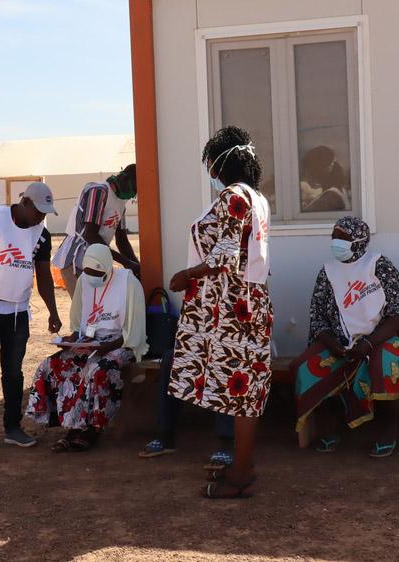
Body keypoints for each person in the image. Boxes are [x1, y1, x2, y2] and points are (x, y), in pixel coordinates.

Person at [167, 126, 272, 499]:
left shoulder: (233, 196)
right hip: (247, 300)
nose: (209, 169)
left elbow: (225, 254)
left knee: (240, 389)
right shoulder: (256, 197)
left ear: (221, 162)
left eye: (210, 161)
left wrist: (187, 275)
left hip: (231, 306)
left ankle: (241, 472)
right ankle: (243, 464)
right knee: (244, 388)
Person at [0, 182, 63, 457]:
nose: (42, 217)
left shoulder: (41, 234)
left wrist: (53, 311)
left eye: (46, 213)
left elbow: (43, 275)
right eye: (39, 211)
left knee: (14, 373)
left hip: (18, 313)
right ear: (25, 203)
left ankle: (12, 428)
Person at [296, 216, 399, 456]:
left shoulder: (379, 265)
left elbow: (398, 314)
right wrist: (333, 344)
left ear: (359, 240)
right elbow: (317, 317)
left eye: (343, 237)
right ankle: (328, 432)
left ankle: (387, 434)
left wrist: (368, 343)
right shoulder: (327, 272)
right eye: (334, 236)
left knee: (387, 366)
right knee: (309, 367)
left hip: (380, 338)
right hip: (339, 343)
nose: (336, 241)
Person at [25, 244, 147, 451]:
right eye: (88, 272)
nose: (91, 277)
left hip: (122, 344)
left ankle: (93, 429)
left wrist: (107, 346)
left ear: (107, 267)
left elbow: (133, 332)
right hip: (91, 343)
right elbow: (77, 323)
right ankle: (71, 426)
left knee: (95, 370)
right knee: (53, 364)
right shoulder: (84, 281)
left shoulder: (128, 283)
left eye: (96, 273)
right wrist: (71, 341)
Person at [138, 347, 235, 471]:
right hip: (209, 341)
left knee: (224, 359)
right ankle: (166, 435)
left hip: (241, 344)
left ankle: (227, 442)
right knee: (171, 358)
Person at [52, 164, 140, 295]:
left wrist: (136, 266)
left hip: (96, 262)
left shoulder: (121, 203)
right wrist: (127, 263)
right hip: (75, 262)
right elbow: (90, 235)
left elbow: (122, 241)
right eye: (134, 188)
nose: (133, 194)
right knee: (86, 312)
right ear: (125, 179)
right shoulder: (98, 191)